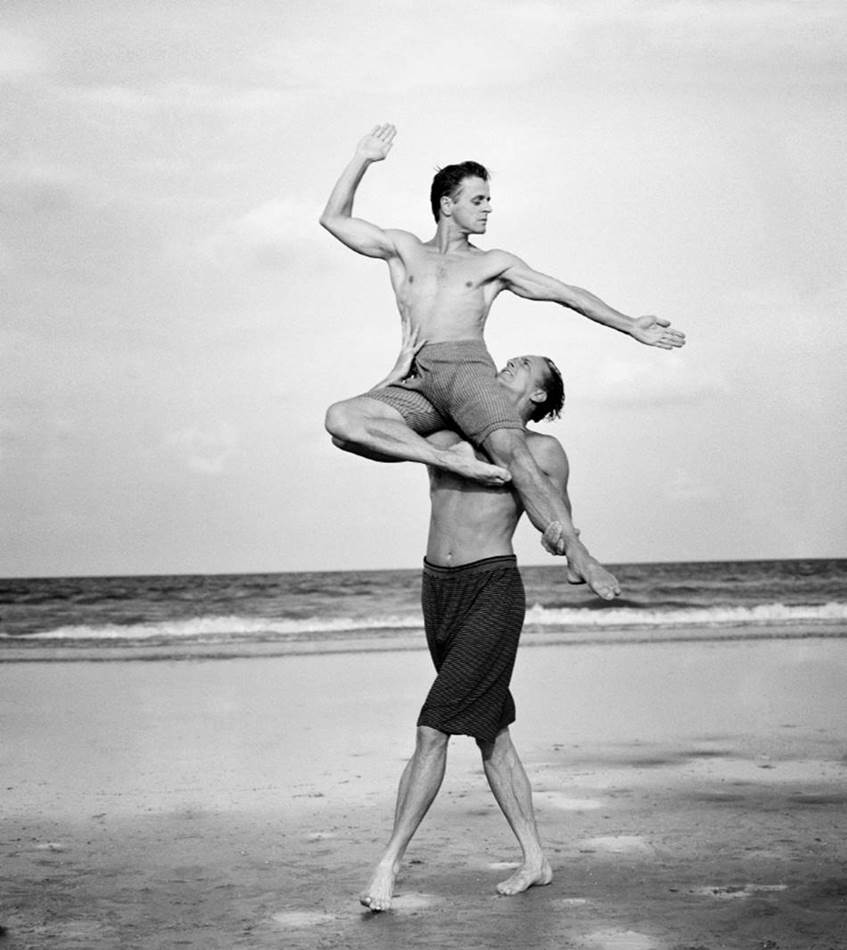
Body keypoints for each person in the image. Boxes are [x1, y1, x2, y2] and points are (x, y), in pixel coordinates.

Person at [321, 124, 685, 593]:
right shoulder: (403, 249)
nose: (489, 208)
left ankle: (577, 553)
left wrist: (630, 324)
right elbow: (334, 218)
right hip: (418, 377)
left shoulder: (493, 263)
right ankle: (453, 461)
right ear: (447, 205)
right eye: (479, 200)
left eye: (489, 199)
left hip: (468, 371)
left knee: (513, 453)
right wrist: (362, 158)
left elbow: (566, 293)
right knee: (342, 421)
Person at [359, 344, 619, 912]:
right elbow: (367, 427)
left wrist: (565, 543)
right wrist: (397, 372)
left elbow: (558, 517)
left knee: (434, 728)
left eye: (526, 365)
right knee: (491, 733)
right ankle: (536, 858)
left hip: (492, 590)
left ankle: (389, 863)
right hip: (437, 589)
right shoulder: (449, 429)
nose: (511, 362)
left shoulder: (542, 449)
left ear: (539, 394)